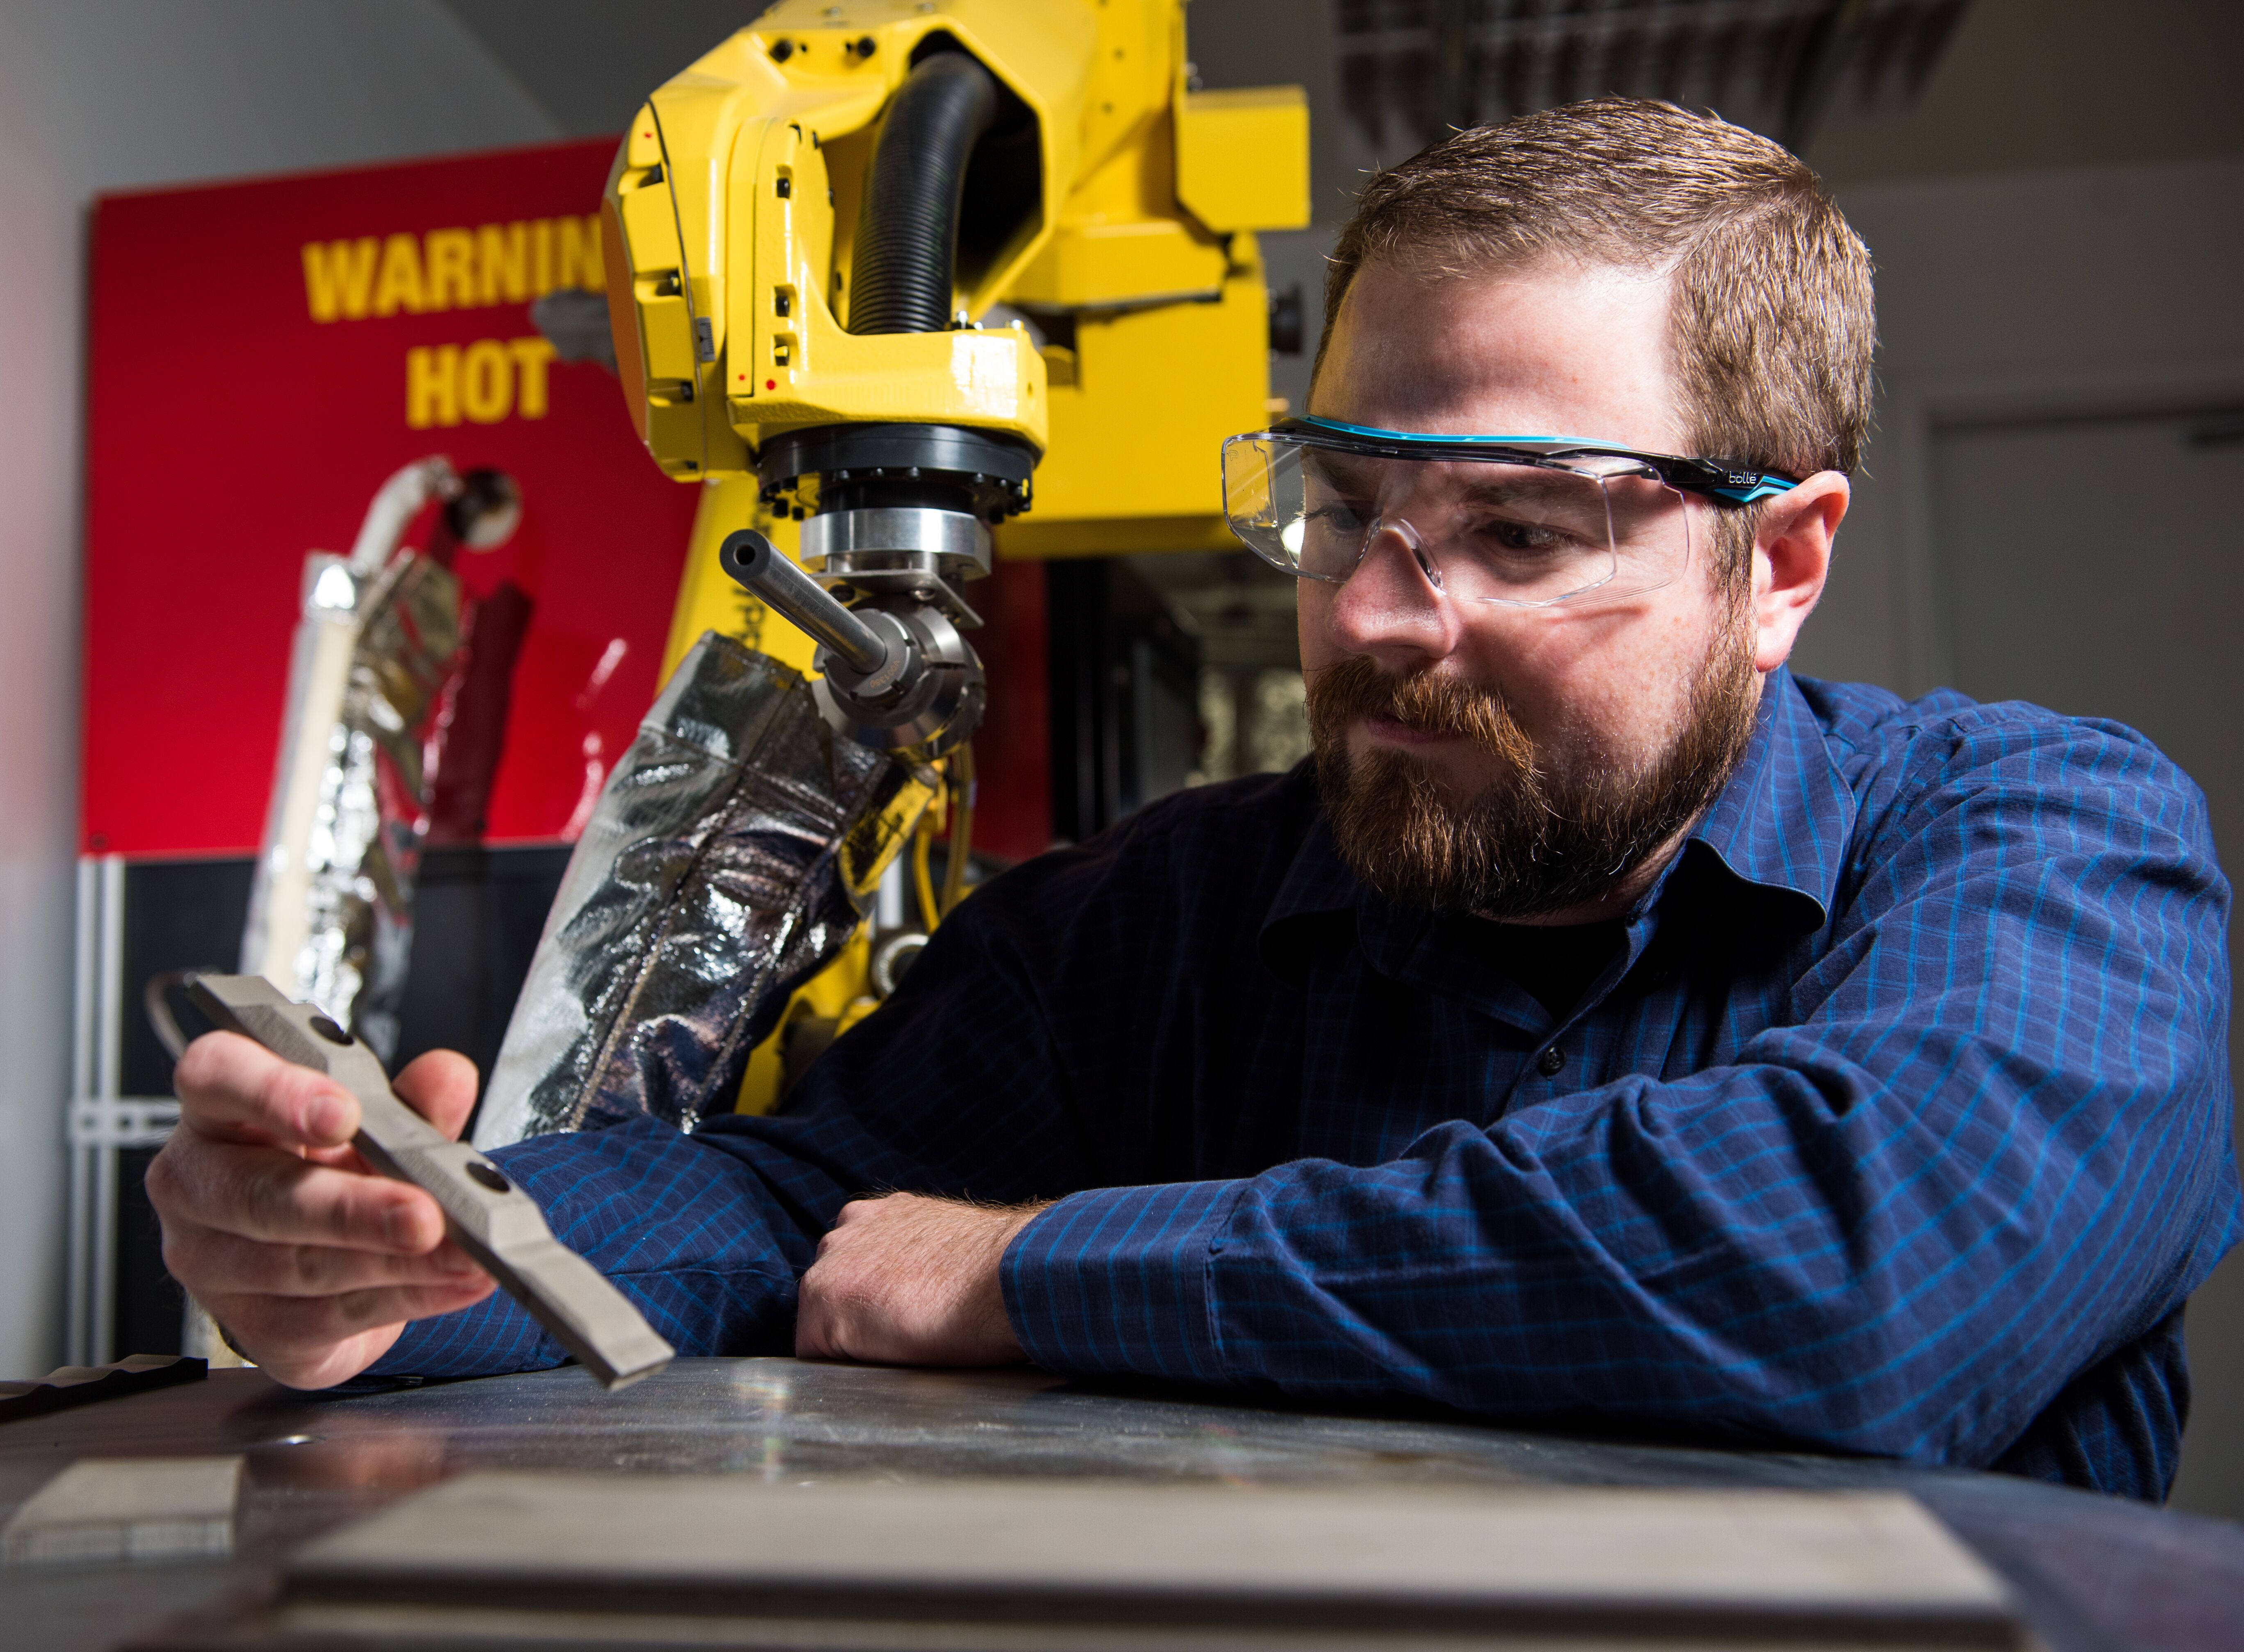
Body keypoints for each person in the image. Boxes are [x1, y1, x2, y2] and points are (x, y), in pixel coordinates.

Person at [145, 98, 2237, 1501]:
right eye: (1343, 511)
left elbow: (1862, 1277)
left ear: (1775, 562)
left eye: (1515, 532)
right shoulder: (1159, 920)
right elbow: (789, 1206)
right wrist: (424, 1249)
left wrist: (1036, 1268)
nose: (1387, 618)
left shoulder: (2042, 844)